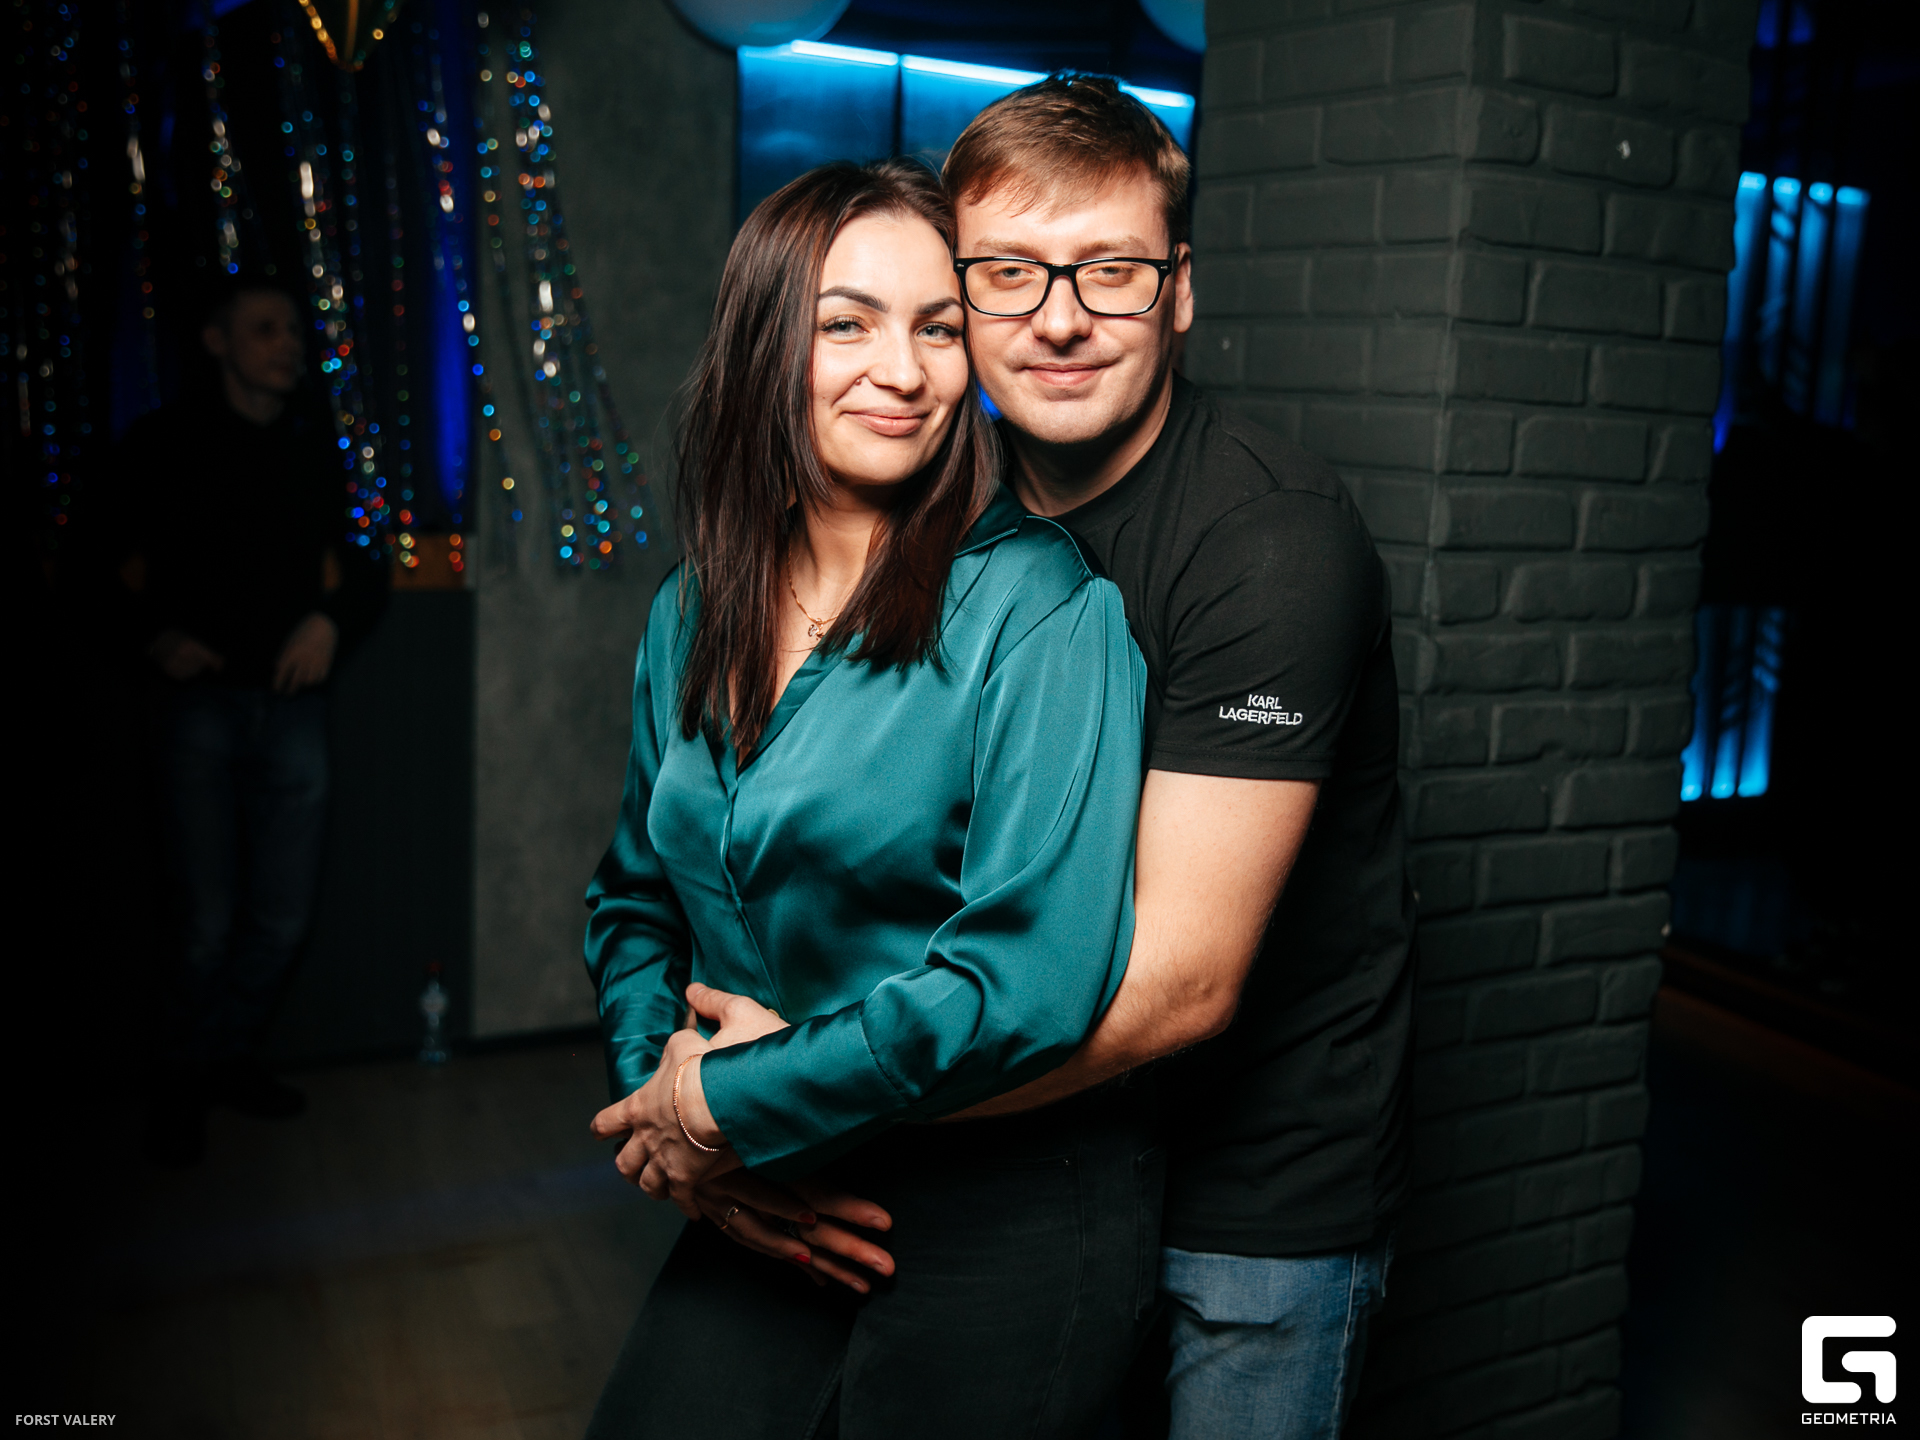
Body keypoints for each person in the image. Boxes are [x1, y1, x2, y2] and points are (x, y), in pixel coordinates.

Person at [698, 76, 1417, 1438]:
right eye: (1011, 272)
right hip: (1023, 1170)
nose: (1061, 317)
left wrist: (774, 1098)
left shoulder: (1271, 544)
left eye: (1112, 270)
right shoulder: (944, 506)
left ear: (1181, 292)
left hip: (1246, 1202)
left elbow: (1181, 987)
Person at [580, 159, 1157, 1440]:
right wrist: (667, 1114)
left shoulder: (1041, 610)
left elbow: (1028, 978)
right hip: (761, 1180)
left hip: (992, 1218)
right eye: (846, 323)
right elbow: (632, 901)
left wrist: (729, 1102)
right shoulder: (692, 608)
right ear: (763, 345)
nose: (903, 371)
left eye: (939, 328)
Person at [111, 275, 388, 1166]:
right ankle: (182, 1083)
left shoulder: (312, 451)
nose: (288, 345)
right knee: (202, 919)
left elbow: (369, 566)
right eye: (265, 329)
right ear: (216, 341)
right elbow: (89, 567)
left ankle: (224, 1060)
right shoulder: (161, 445)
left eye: (293, 331)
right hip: (197, 706)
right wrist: (154, 637)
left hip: (291, 706)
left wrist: (328, 621)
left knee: (280, 918)